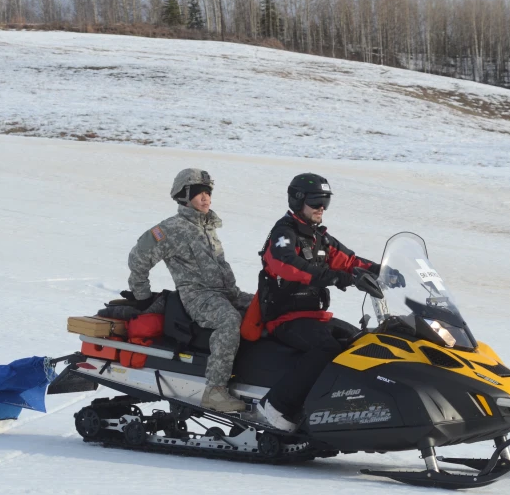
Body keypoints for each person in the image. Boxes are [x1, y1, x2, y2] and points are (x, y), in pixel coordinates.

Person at [257, 173, 404, 431]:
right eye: (315, 201)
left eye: (325, 201)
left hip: (312, 316)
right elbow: (287, 265)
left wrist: (383, 272)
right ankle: (276, 406)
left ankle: (337, 409)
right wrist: (335, 277)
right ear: (298, 201)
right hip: (285, 317)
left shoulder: (319, 238)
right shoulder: (283, 235)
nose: (321, 208)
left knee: (363, 341)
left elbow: (350, 261)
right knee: (325, 349)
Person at [126, 168, 254, 413]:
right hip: (198, 297)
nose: (206, 198)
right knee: (229, 321)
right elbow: (138, 257)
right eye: (198, 193)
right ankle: (214, 392)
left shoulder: (207, 225)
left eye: (208, 192)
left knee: (265, 306)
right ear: (184, 196)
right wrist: (141, 295)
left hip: (227, 292)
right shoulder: (171, 228)